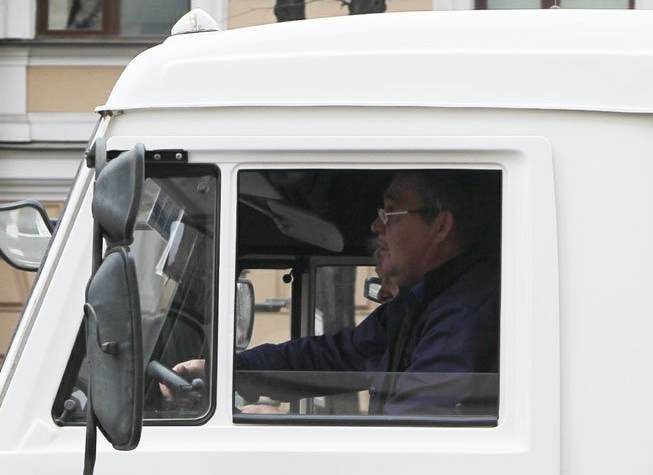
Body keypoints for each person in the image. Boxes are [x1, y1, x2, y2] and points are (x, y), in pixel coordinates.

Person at [183, 170, 499, 416]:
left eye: (390, 212)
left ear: (441, 227)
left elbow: (414, 430)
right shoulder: (421, 302)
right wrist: (230, 371)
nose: (377, 226)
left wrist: (284, 429)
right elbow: (338, 355)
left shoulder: (466, 312)